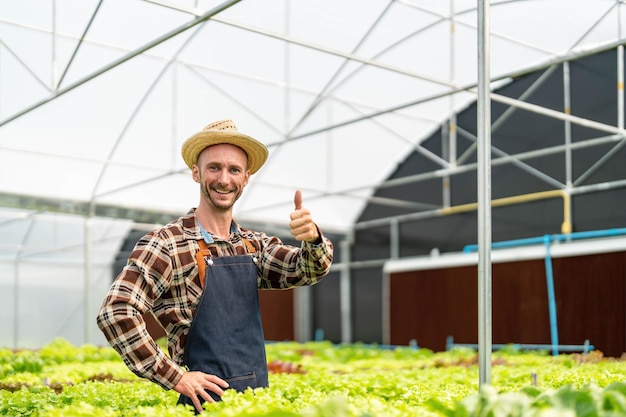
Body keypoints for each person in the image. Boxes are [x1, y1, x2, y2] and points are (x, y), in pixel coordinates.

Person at [96, 119, 334, 414]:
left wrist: (312, 239)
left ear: (245, 178)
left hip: (253, 403)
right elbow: (116, 311)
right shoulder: (167, 244)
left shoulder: (252, 246)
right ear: (196, 173)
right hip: (203, 406)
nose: (224, 179)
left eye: (234, 170)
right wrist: (175, 376)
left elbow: (307, 270)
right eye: (214, 167)